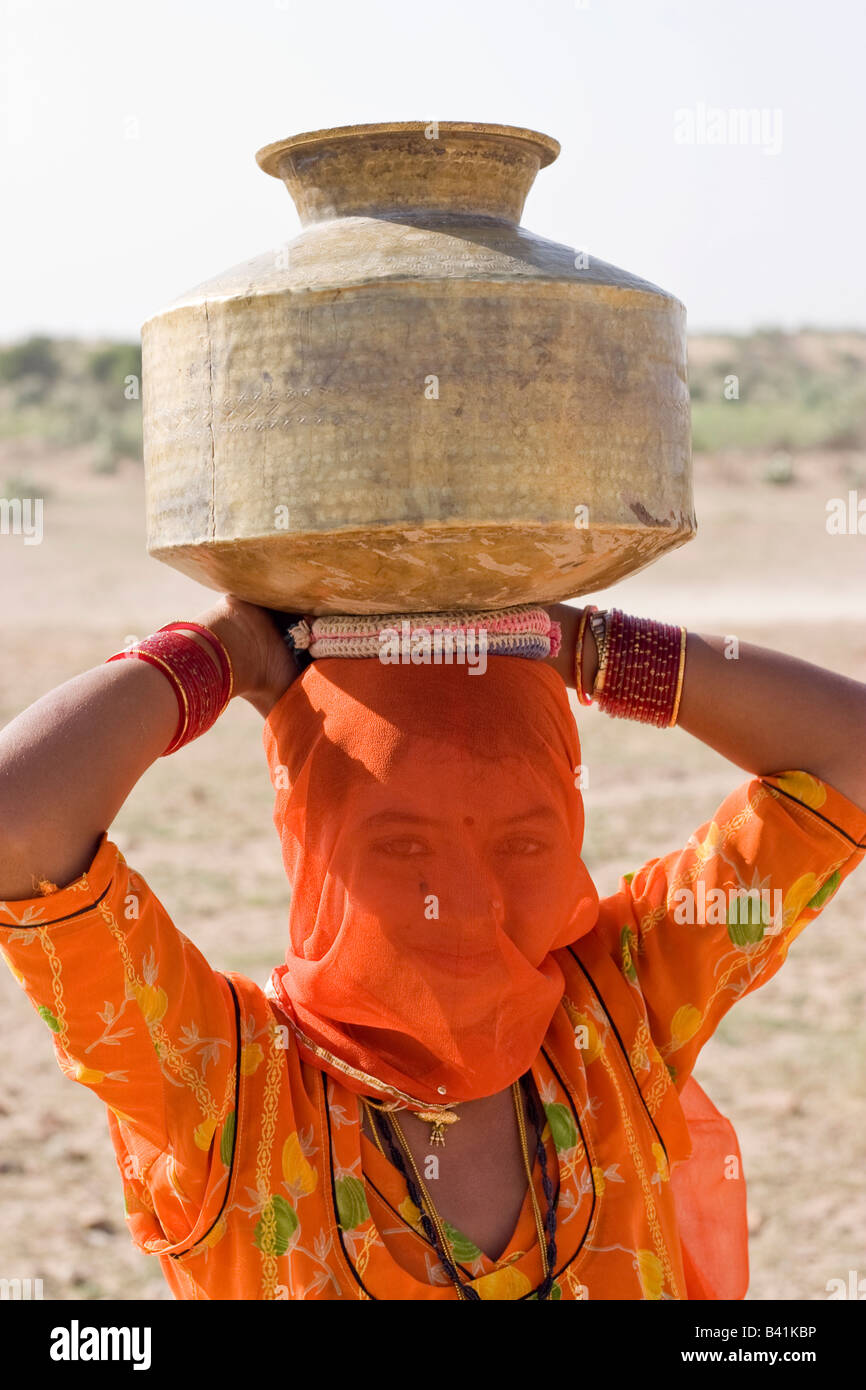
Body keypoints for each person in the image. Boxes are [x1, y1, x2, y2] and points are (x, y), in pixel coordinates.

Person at [0, 596, 864, 1301]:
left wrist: (577, 645)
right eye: (403, 848)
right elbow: (15, 829)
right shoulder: (226, 1089)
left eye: (523, 846)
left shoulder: (615, 1005)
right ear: (317, 847)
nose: (468, 899)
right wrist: (220, 654)